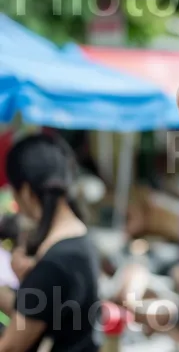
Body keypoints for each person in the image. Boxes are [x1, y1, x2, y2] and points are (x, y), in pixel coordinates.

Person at [0, 133, 100, 352]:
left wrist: (31, 283)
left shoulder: (52, 266)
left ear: (26, 193)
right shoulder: (79, 240)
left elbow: (10, 347)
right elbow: (40, 309)